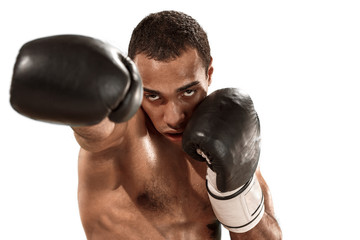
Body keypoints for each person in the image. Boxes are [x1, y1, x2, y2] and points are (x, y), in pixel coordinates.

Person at [10, 10, 282, 240]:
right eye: (153, 96)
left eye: (187, 92)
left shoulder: (224, 131)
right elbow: (94, 130)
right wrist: (79, 94)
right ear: (134, 82)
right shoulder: (122, 134)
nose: (174, 118)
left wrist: (234, 194)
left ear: (209, 74)